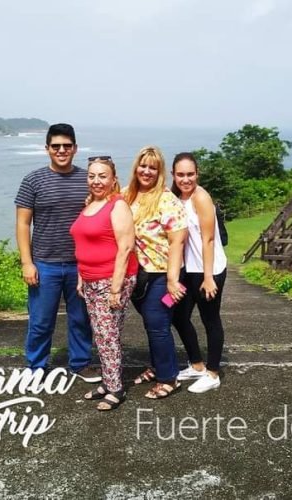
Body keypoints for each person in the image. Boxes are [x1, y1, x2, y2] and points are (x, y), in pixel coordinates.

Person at [14, 123, 100, 383]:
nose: (61, 150)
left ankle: (81, 363)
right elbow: (22, 223)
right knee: (41, 321)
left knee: (81, 320)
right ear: (47, 149)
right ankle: (36, 366)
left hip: (81, 264)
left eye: (66, 146)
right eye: (56, 146)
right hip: (45, 263)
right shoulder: (33, 180)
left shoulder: (87, 179)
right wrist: (27, 263)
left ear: (75, 148)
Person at [70, 156, 138, 410]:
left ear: (113, 180)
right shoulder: (90, 204)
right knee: (101, 334)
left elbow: (125, 247)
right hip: (90, 280)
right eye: (92, 176)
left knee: (108, 336)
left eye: (102, 176)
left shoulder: (117, 206)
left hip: (111, 279)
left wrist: (116, 288)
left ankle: (116, 389)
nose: (96, 181)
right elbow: (84, 243)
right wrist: (80, 277)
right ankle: (108, 383)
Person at [124, 146, 187, 399]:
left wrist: (172, 280)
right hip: (137, 275)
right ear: (136, 167)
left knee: (158, 325)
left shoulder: (166, 200)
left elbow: (177, 242)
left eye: (153, 167)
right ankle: (158, 365)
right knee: (152, 324)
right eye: (143, 165)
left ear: (160, 172)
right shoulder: (127, 195)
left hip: (163, 275)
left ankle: (169, 378)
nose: (147, 171)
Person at [170, 152, 228, 393]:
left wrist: (207, 278)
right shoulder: (175, 197)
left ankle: (213, 373)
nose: (185, 179)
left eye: (190, 174)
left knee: (210, 319)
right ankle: (196, 364)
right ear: (173, 175)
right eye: (180, 174)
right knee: (177, 316)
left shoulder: (201, 197)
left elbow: (209, 239)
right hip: (187, 270)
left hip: (208, 269)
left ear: (197, 174)